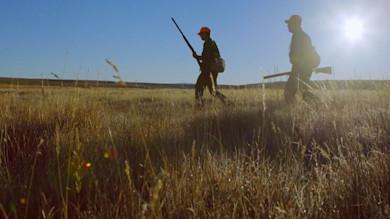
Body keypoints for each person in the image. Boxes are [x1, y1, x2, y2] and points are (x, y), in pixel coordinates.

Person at [284, 15, 320, 103]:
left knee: (290, 92)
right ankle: (318, 104)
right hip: (299, 68)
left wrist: (299, 69)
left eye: (290, 23)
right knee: (299, 92)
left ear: (296, 24)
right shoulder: (297, 36)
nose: (288, 26)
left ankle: (319, 104)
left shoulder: (302, 37)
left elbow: (306, 56)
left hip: (302, 69)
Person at [192, 27, 228, 107]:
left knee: (198, 87)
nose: (200, 36)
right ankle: (227, 103)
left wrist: (197, 57)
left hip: (207, 71)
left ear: (205, 34)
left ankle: (199, 106)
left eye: (201, 34)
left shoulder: (207, 43)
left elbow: (206, 57)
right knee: (213, 91)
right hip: (212, 70)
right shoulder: (212, 42)